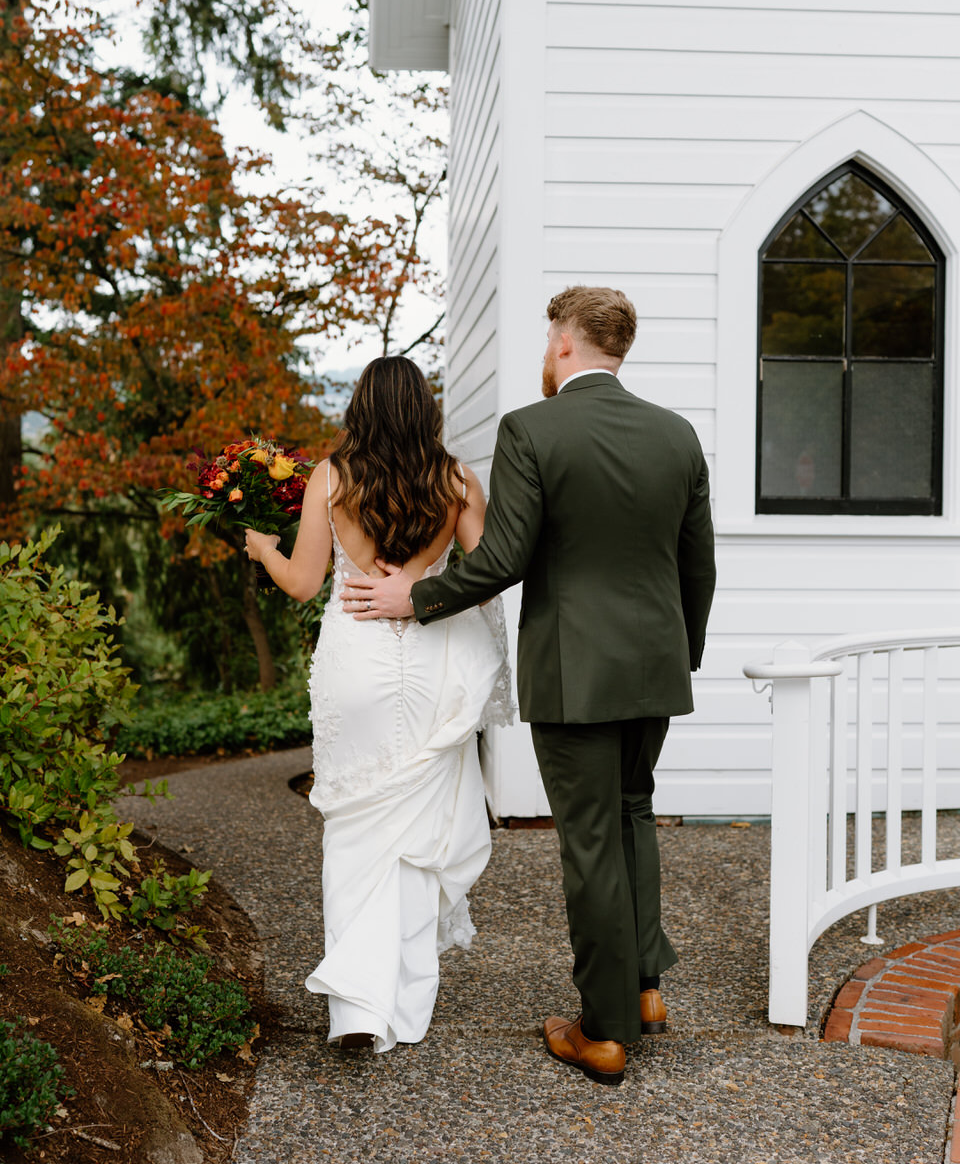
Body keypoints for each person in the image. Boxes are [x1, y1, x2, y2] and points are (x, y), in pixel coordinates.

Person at [342, 286, 716, 1087]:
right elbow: (698, 566)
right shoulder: (677, 436)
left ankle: (606, 1031)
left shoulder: (532, 429)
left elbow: (503, 558)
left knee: (588, 843)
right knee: (632, 813)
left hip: (576, 672)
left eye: (549, 340)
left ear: (565, 343)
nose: (545, 352)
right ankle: (645, 988)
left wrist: (419, 596)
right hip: (655, 666)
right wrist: (682, 652)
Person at [243, 356, 512, 1054]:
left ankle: (356, 1012)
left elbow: (304, 584)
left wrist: (264, 550)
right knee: (420, 839)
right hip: (433, 667)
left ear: (359, 408)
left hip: (355, 664)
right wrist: (425, 585)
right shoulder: (456, 482)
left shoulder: (331, 478)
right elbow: (485, 579)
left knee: (354, 829)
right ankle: (401, 994)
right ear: (426, 409)